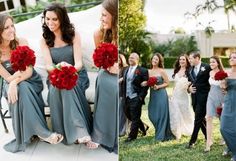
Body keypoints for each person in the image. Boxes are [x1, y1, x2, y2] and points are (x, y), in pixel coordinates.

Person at [0, 14, 63, 153]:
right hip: (13, 83)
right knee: (21, 87)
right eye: (6, 28)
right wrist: (12, 83)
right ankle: (43, 133)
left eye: (12, 26)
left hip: (30, 80)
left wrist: (13, 83)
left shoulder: (21, 42)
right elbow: (7, 77)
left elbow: (28, 72)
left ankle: (39, 132)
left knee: (22, 86)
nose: (12, 30)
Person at [40, 3, 93, 146]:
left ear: (62, 19)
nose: (50, 23)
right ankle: (77, 132)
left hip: (76, 73)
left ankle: (80, 132)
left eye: (54, 19)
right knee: (60, 85)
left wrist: (69, 70)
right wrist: (59, 69)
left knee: (68, 85)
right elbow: (48, 65)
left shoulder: (73, 35)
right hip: (55, 75)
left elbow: (79, 63)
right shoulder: (45, 39)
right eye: (47, 19)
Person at [89, 0, 118, 153]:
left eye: (104, 15)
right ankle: (100, 134)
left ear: (115, 16)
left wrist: (118, 67)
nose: (101, 19)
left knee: (116, 86)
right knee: (106, 82)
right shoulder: (99, 34)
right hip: (106, 73)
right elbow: (99, 61)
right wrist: (107, 66)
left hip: (119, 74)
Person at [142, 53, 174, 141]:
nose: (154, 61)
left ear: (159, 61)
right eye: (153, 59)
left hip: (161, 94)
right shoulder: (148, 71)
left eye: (156, 59)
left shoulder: (161, 71)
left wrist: (158, 86)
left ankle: (161, 134)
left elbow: (167, 83)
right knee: (152, 114)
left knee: (162, 114)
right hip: (153, 95)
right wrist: (146, 83)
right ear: (151, 60)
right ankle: (159, 129)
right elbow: (148, 82)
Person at [122, 52, 149, 142]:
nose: (130, 59)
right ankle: (144, 127)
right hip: (126, 97)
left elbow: (145, 86)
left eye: (133, 58)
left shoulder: (143, 70)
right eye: (130, 57)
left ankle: (132, 136)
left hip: (136, 97)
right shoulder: (125, 70)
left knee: (135, 117)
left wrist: (140, 97)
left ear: (137, 60)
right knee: (128, 114)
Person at [186, 51, 211, 149]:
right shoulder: (189, 70)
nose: (189, 60)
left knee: (197, 119)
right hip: (194, 98)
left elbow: (212, 80)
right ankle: (207, 136)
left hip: (204, 97)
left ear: (197, 58)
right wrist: (189, 89)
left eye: (191, 58)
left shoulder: (207, 67)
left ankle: (192, 141)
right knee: (200, 119)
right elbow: (190, 83)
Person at [169, 54, 194, 140]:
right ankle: (177, 130)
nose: (182, 61)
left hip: (184, 95)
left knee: (185, 112)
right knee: (176, 112)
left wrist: (188, 87)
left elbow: (191, 82)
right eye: (180, 59)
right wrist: (172, 94)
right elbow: (175, 84)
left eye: (183, 59)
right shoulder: (176, 70)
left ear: (187, 61)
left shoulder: (190, 71)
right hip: (176, 94)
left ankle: (188, 128)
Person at [205, 55, 224, 152]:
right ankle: (209, 141)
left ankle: (223, 137)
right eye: (210, 62)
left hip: (221, 98)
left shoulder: (223, 73)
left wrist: (223, 85)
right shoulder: (209, 72)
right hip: (211, 97)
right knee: (208, 118)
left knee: (222, 119)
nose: (211, 64)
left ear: (218, 63)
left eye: (213, 62)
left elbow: (226, 87)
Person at [220, 52, 236, 161]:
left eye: (235, 57)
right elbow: (224, 90)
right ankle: (230, 146)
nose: (232, 59)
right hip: (229, 101)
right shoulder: (226, 73)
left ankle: (234, 151)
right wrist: (223, 85)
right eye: (231, 57)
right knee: (223, 127)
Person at [119, 53, 129, 137]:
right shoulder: (115, 67)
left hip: (122, 92)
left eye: (119, 59)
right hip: (115, 92)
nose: (118, 60)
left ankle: (122, 131)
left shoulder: (125, 68)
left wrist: (119, 80)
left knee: (122, 113)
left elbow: (126, 77)